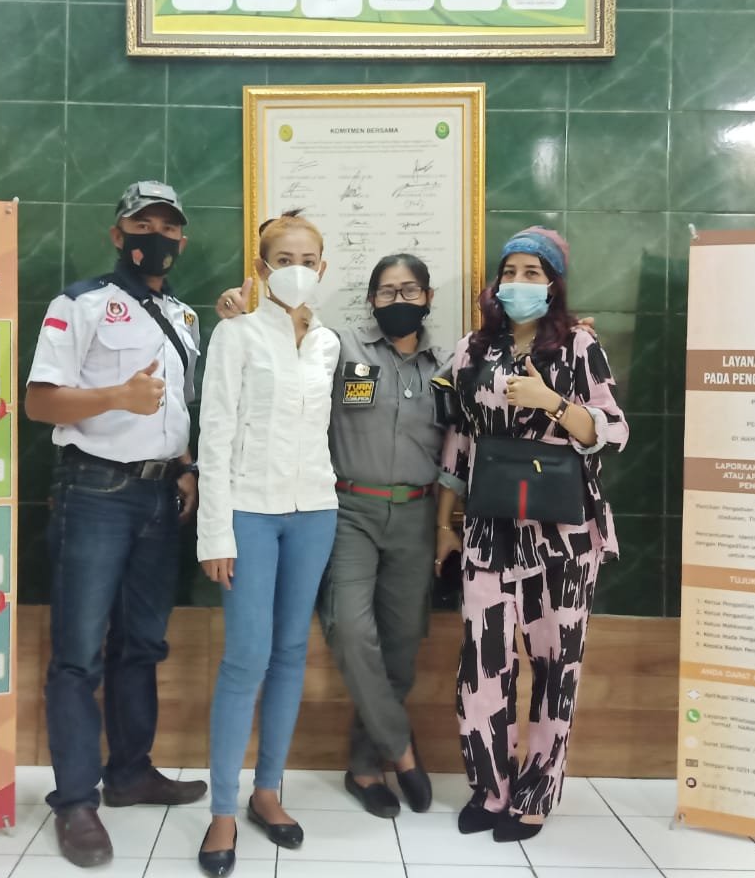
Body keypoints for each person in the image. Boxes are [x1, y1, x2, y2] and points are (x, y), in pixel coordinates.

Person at [215, 253, 442, 819]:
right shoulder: (339, 347)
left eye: (409, 291)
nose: (398, 301)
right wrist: (240, 318)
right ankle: (401, 749)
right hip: (348, 509)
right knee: (351, 630)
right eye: (386, 291)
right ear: (370, 300)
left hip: (417, 514)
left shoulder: (450, 363)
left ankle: (365, 767)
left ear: (429, 298)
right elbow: (284, 359)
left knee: (402, 644)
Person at [24, 181, 208, 868]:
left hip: (161, 496)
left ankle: (130, 773)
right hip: (95, 492)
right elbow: (40, 403)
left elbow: (177, 407)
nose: (156, 236)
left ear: (182, 239)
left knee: (142, 645)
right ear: (117, 233)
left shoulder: (186, 317)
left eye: (168, 226)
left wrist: (185, 468)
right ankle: (76, 800)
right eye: (143, 224)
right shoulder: (80, 303)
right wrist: (115, 397)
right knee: (78, 653)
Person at [434, 228, 628, 845]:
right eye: (509, 272)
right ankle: (489, 789)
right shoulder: (472, 350)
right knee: (482, 668)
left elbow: (612, 430)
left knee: (555, 667)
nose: (517, 283)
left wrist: (552, 402)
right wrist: (444, 524)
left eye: (532, 273)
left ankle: (536, 794)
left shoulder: (579, 345)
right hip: (488, 530)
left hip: (563, 535)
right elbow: (458, 441)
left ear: (553, 283)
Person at [195, 212, 340, 877]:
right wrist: (215, 532)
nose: (297, 269)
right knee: (245, 658)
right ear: (261, 267)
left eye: (308, 259)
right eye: (284, 258)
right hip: (249, 513)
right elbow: (215, 434)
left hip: (315, 512)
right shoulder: (236, 333)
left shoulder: (329, 344)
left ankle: (267, 791)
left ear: (323, 268)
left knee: (289, 655)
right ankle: (223, 809)